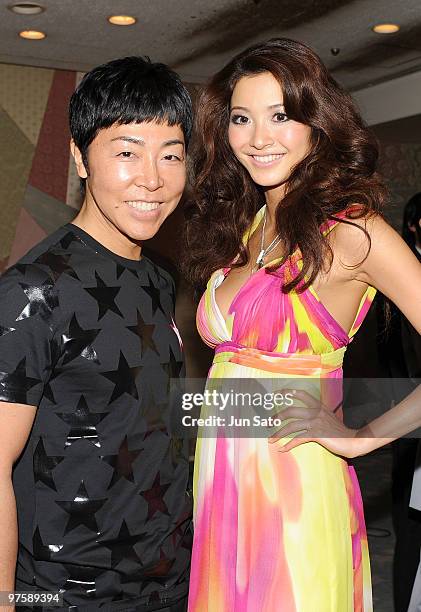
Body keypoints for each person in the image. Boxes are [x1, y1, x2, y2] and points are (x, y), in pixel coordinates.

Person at [183, 38, 421, 611]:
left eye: (281, 116)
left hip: (293, 492)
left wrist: (365, 438)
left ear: (317, 125)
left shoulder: (353, 232)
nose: (258, 137)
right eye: (242, 118)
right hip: (222, 487)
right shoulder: (249, 227)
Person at [0, 56, 193, 611]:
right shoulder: (33, 290)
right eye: (127, 152)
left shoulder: (158, 276)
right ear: (80, 159)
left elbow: (146, 415)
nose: (153, 178)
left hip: (169, 578)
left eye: (171, 155)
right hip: (68, 594)